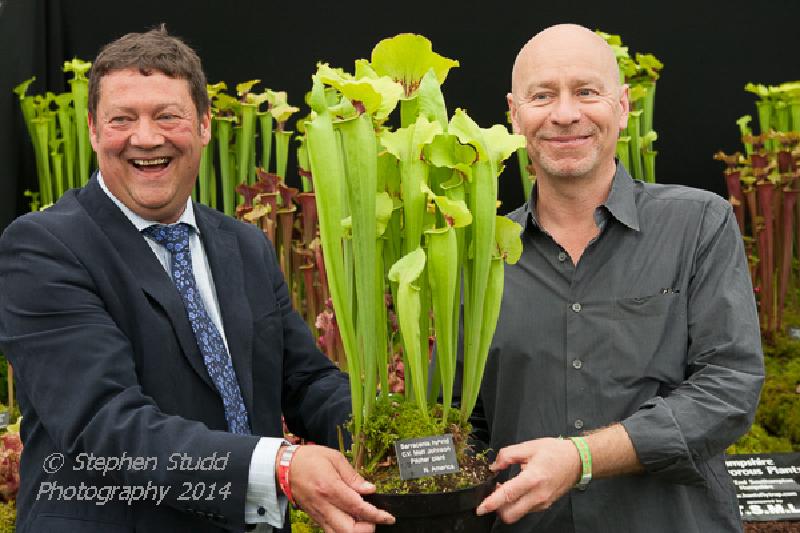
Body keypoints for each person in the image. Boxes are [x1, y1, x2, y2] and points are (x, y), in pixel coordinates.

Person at [0, 26, 394, 533]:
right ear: (95, 132)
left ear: (204, 126)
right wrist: (280, 466)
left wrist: (395, 439)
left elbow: (308, 381)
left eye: (168, 116)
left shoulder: (242, 245)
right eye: (123, 119)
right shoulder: (43, 248)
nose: (146, 138)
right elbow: (106, 425)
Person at [472, 24, 764, 532]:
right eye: (542, 96)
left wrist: (582, 457)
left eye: (586, 92)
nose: (565, 114)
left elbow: (728, 389)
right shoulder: (481, 258)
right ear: (514, 115)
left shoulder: (697, 224)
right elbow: (463, 422)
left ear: (623, 106)